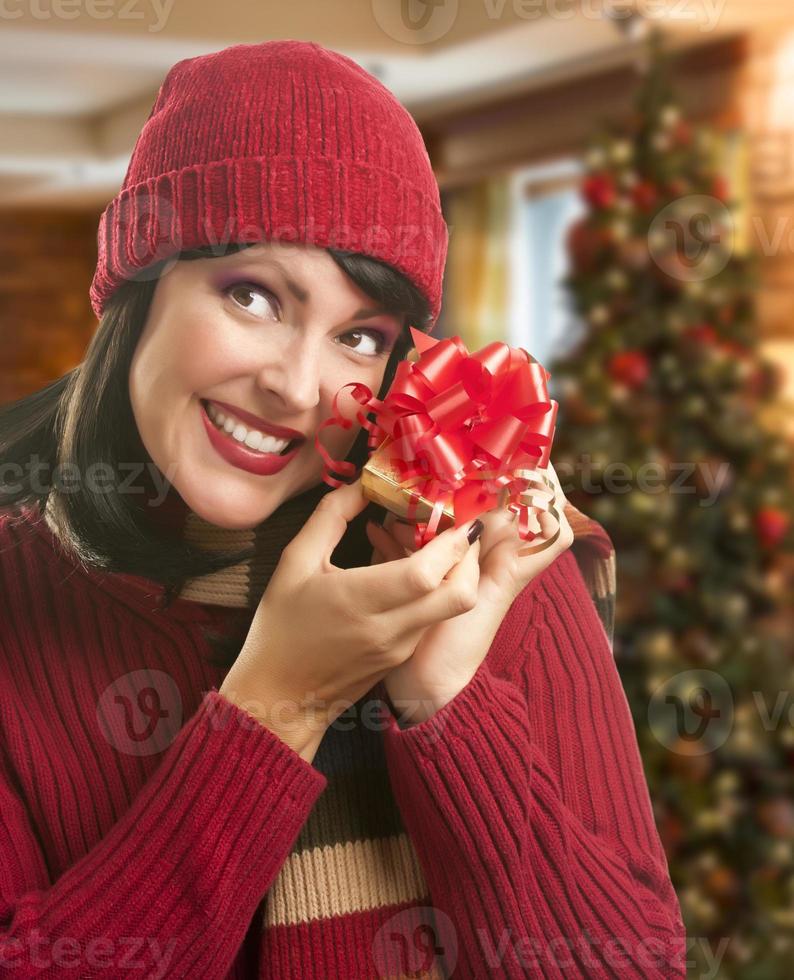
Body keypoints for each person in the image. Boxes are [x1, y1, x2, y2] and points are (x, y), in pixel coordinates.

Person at [0, 39, 685, 979]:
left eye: (360, 335)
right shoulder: (15, 595)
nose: (296, 385)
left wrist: (446, 698)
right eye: (251, 295)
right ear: (137, 292)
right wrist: (281, 703)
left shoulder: (489, 568)